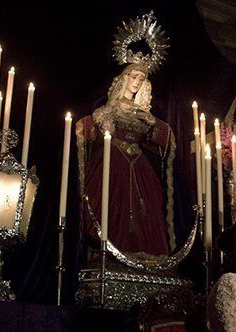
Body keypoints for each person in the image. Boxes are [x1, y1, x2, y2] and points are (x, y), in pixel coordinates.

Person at [75, 62, 175, 256]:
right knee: (109, 206)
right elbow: (90, 127)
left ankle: (145, 258)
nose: (137, 82)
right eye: (134, 76)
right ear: (124, 78)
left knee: (147, 210)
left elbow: (164, 141)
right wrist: (92, 124)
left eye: (142, 78)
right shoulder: (111, 108)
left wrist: (153, 123)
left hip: (138, 163)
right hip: (112, 160)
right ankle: (106, 254)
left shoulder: (145, 113)